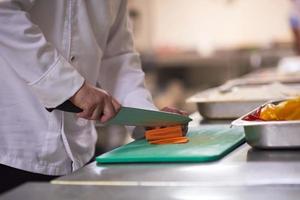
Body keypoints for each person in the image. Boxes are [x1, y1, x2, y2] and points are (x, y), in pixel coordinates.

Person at [0, 0, 186, 193]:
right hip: (12, 153)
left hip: (80, 155)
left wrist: (148, 118)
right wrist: (72, 87)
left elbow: (118, 56)